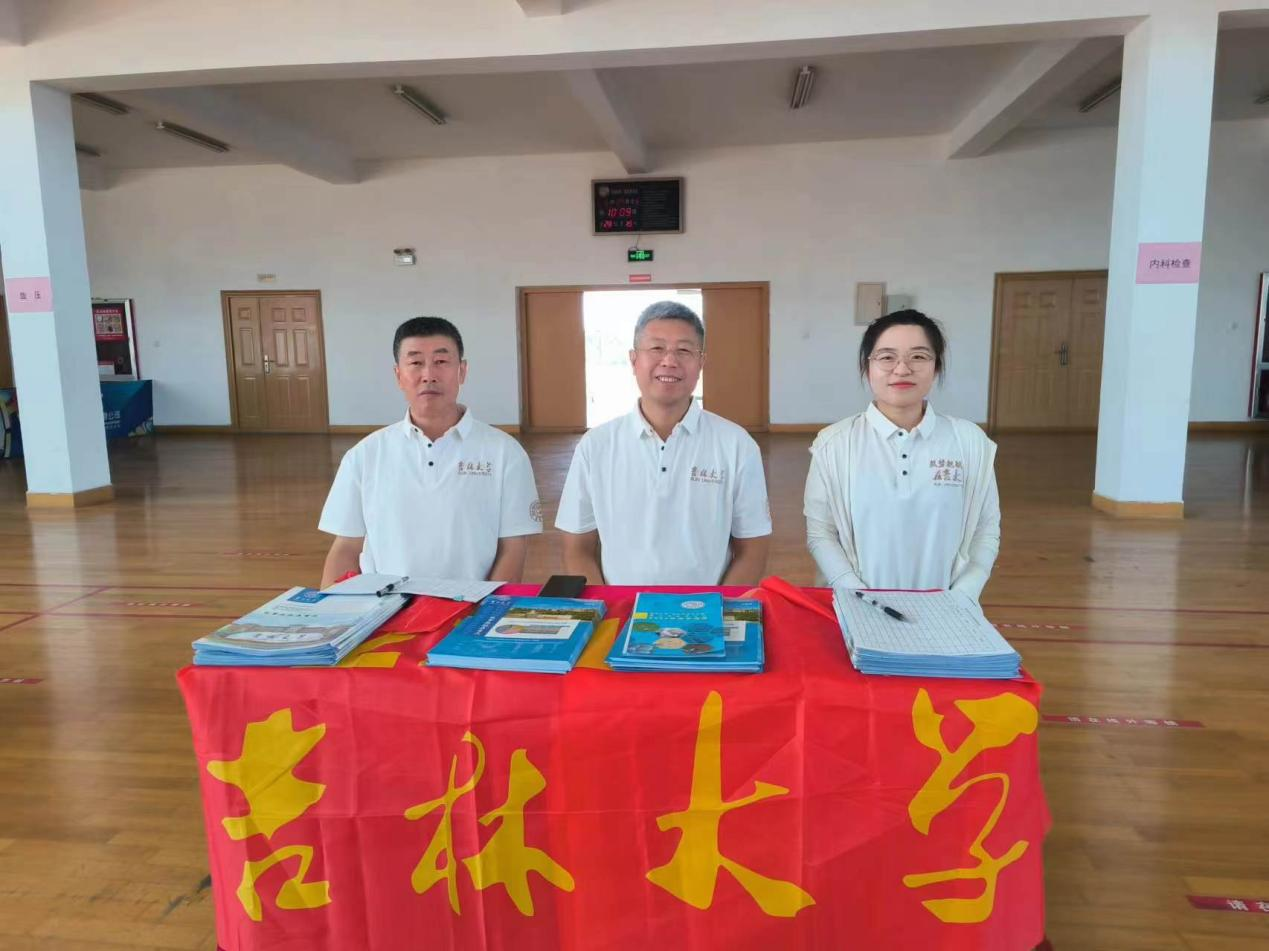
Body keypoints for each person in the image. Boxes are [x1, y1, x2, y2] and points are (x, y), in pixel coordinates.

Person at [556, 300, 771, 586]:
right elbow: (577, 549)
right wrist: (608, 605)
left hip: (706, 609)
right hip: (621, 608)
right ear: (634, 360)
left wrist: (716, 607)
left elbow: (753, 550)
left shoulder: (737, 445)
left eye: (684, 350)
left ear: (701, 362)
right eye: (657, 348)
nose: (669, 361)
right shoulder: (596, 445)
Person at [318, 316, 542, 587]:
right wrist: (330, 608)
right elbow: (346, 547)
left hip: (471, 605)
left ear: (462, 371)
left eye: (441, 361)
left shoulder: (505, 453)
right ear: (398, 375)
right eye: (415, 363)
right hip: (385, 606)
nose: (428, 375)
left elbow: (513, 547)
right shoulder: (365, 455)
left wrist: (486, 606)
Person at [803, 309, 1000, 600]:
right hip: (857, 606)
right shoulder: (833, 444)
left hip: (948, 607)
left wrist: (963, 595)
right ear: (867, 366)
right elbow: (821, 534)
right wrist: (860, 595)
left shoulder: (970, 442)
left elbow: (986, 529)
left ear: (936, 366)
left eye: (918, 356)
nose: (902, 369)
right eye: (887, 357)